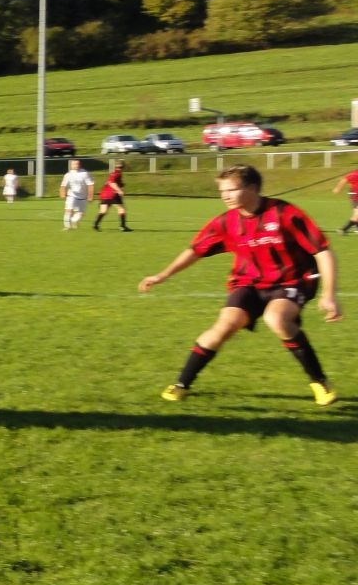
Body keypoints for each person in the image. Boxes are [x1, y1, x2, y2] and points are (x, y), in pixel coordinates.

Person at [139, 164, 341, 406]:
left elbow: (322, 252)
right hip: (247, 283)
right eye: (222, 191)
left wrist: (329, 294)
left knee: (277, 319)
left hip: (291, 281)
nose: (225, 196)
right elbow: (195, 251)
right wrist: (162, 275)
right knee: (224, 326)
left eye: (231, 190)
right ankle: (182, 384)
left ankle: (320, 382)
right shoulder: (226, 222)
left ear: (253, 188)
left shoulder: (284, 213)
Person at [93, 160, 134, 231]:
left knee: (103, 211)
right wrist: (119, 190)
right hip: (113, 194)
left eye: (120, 167)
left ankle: (96, 224)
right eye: (120, 167)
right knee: (121, 209)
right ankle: (122, 226)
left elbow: (108, 183)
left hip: (105, 194)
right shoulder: (117, 174)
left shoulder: (112, 174)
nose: (120, 169)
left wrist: (121, 184)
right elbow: (112, 183)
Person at [59, 159, 94, 230]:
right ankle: (67, 227)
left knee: (80, 214)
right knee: (68, 210)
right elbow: (63, 185)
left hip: (83, 197)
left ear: (80, 165)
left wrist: (90, 196)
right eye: (74, 164)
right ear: (71, 165)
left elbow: (90, 185)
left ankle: (73, 221)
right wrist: (62, 193)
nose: (76, 165)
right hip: (72, 195)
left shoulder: (84, 173)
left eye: (77, 164)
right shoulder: (68, 175)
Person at [331, 166, 358, 234]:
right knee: (356, 215)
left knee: (356, 214)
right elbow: (344, 180)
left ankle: (350, 228)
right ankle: (343, 230)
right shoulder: (355, 174)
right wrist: (337, 189)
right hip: (355, 196)